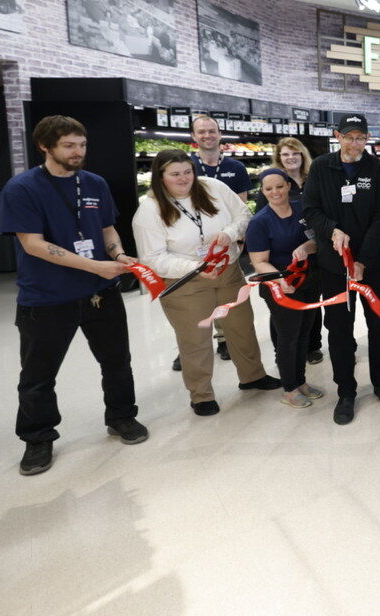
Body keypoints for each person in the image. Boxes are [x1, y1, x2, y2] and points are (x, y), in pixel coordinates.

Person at [0, 115, 147, 476]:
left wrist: (117, 255)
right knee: (38, 375)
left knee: (116, 362)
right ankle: (38, 438)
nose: (77, 152)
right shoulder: (22, 189)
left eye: (81, 145)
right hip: (47, 298)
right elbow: (33, 245)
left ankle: (122, 417)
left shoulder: (95, 183)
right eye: (68, 145)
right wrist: (95, 266)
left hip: (101, 295)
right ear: (45, 146)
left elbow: (108, 227)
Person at [134, 150, 276, 416]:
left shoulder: (213, 187)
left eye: (187, 171)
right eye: (175, 174)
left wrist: (228, 233)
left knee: (241, 328)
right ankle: (201, 395)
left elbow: (244, 215)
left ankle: (253, 376)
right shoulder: (150, 210)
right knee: (195, 340)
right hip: (185, 283)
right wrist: (195, 268)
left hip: (229, 272)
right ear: (160, 176)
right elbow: (152, 258)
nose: (184, 178)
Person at [302, 113, 380, 425]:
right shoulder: (320, 167)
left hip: (374, 265)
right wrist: (332, 231)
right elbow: (310, 209)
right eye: (349, 136)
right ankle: (346, 391)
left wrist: (362, 259)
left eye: (360, 137)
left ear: (367, 138)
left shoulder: (378, 170)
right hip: (333, 267)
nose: (355, 143)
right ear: (337, 136)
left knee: (379, 326)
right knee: (340, 331)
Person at [245, 168, 324, 409]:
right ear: (263, 191)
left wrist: (305, 247)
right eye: (268, 189)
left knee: (304, 332)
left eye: (279, 186)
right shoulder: (260, 222)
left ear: (289, 185)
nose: (275, 192)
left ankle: (300, 381)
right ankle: (289, 388)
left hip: (308, 281)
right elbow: (259, 262)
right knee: (288, 336)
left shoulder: (302, 210)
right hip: (280, 286)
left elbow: (317, 240)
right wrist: (281, 281)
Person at [189, 114, 252, 366]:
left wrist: (238, 237)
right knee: (197, 294)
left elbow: (242, 205)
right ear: (193, 137)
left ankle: (225, 338)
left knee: (227, 291)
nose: (207, 136)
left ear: (219, 134)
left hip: (227, 240)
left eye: (211, 131)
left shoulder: (235, 168)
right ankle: (194, 341)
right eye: (201, 132)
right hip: (196, 244)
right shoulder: (186, 166)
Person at [274, 137, 324, 366]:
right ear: (279, 158)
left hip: (314, 249)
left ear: (302, 155)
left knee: (313, 298)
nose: (290, 158)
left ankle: (313, 345)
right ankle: (283, 349)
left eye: (294, 153)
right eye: (285, 154)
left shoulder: (312, 179)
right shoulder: (275, 182)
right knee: (284, 305)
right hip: (285, 252)